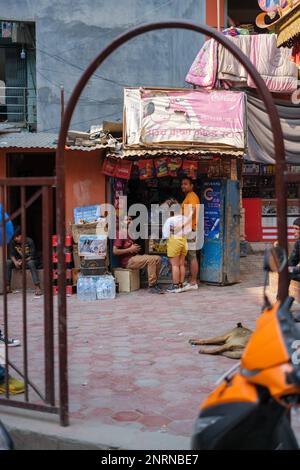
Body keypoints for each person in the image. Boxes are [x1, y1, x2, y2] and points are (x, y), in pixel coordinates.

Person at [113, 216, 163, 294]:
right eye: (127, 220)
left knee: (158, 258)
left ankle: (155, 283)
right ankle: (152, 285)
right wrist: (130, 249)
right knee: (151, 259)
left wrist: (135, 249)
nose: (129, 221)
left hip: (134, 257)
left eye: (130, 219)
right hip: (127, 261)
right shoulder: (121, 233)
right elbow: (115, 251)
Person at [162, 199, 192, 293]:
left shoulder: (169, 220)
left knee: (174, 265)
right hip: (184, 241)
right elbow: (189, 231)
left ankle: (175, 286)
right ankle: (180, 284)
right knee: (181, 264)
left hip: (174, 241)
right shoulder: (185, 219)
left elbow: (166, 234)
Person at [6, 227, 42, 297]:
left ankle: (37, 287)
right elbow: (11, 254)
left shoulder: (29, 241)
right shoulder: (13, 242)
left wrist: (23, 261)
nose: (16, 239)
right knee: (8, 262)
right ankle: (8, 287)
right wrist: (15, 262)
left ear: (21, 235)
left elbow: (32, 256)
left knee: (31, 263)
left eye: (17, 237)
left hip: (31, 261)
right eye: (14, 237)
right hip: (20, 262)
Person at [180, 176, 201, 292]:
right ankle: (192, 280)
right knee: (190, 255)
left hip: (190, 230)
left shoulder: (192, 196)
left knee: (192, 255)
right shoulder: (188, 196)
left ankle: (193, 282)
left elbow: (192, 213)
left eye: (186, 184)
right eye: (182, 184)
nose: (183, 186)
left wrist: (183, 225)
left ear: (191, 186)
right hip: (189, 229)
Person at [288, 218, 300, 282]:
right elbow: (292, 261)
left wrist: (291, 269)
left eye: (296, 229)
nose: (294, 231)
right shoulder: (298, 243)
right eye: (293, 228)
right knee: (284, 272)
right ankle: (283, 292)